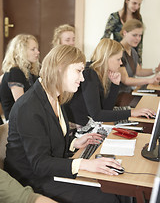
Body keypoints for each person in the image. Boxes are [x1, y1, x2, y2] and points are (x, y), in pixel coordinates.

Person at [4, 45, 126, 203]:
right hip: (30, 183)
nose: (82, 78)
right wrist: (85, 164)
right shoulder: (28, 107)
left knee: (114, 187)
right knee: (107, 196)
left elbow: (48, 138)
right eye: (78, 71)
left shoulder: (54, 97)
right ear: (60, 68)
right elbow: (39, 163)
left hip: (46, 174)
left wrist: (74, 142)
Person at [64, 38, 155, 127]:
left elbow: (106, 109)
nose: (121, 63)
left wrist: (115, 85)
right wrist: (132, 112)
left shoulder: (100, 74)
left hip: (88, 123)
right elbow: (97, 116)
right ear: (107, 58)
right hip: (77, 127)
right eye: (118, 59)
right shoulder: (89, 74)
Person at [0, 34, 40, 121]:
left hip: (25, 119)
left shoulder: (30, 72)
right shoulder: (15, 72)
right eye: (33, 49)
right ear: (21, 52)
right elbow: (22, 105)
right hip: (17, 122)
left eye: (37, 49)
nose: (37, 52)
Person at [118, 19, 160, 96]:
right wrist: (150, 80)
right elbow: (126, 80)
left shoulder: (133, 52)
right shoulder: (117, 51)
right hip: (120, 95)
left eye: (140, 35)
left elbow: (138, 71)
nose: (138, 38)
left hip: (130, 91)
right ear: (124, 33)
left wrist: (156, 70)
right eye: (134, 35)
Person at [102, 0, 144, 64]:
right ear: (127, 0)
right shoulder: (114, 17)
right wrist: (103, 57)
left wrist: (139, 62)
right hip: (117, 56)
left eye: (139, 4)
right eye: (134, 3)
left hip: (132, 56)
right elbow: (105, 38)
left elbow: (140, 44)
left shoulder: (138, 18)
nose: (137, 7)